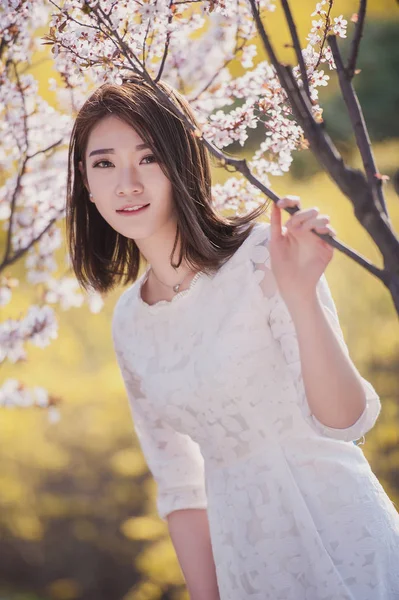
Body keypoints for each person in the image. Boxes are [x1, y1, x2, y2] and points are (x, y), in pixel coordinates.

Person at [66, 75, 399, 600]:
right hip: (246, 560)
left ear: (181, 164)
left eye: (148, 158)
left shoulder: (265, 254)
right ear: (86, 182)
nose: (126, 183)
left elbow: (346, 420)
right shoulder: (130, 321)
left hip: (343, 533)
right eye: (103, 163)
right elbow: (179, 485)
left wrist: (301, 294)